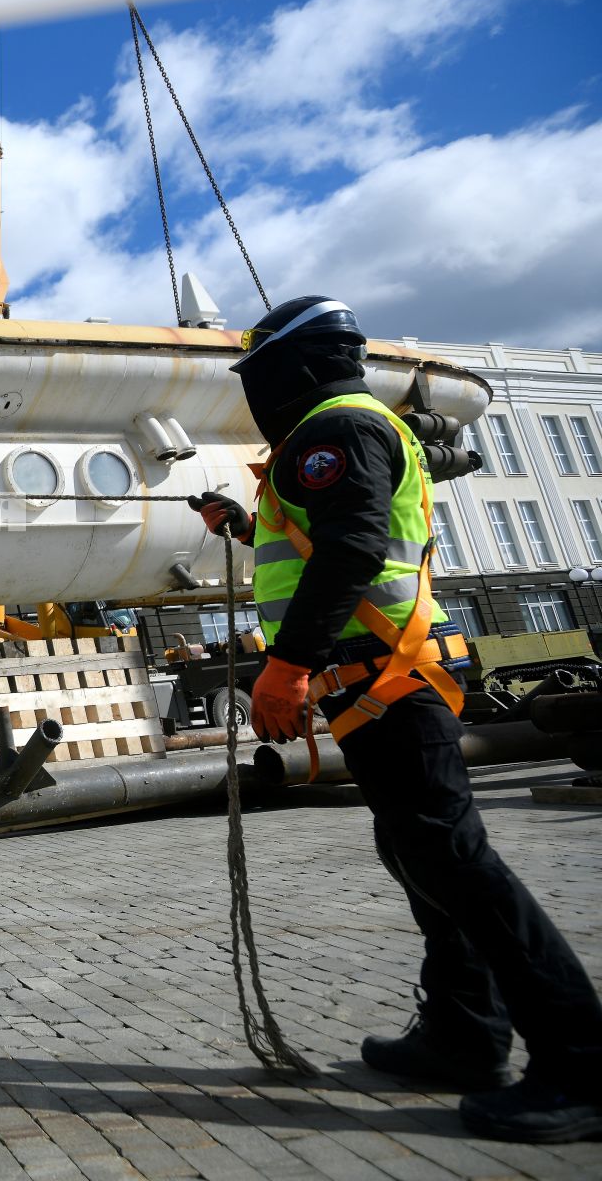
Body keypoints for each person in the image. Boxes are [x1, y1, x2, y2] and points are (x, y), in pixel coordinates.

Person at [191, 296, 602, 1144]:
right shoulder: (351, 430)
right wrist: (241, 524)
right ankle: (462, 1034)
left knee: (453, 858)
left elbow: (350, 548)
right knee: (423, 851)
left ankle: (581, 1061)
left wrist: (287, 665)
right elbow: (324, 541)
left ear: (294, 367)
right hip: (386, 673)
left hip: (384, 674)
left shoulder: (333, 429)